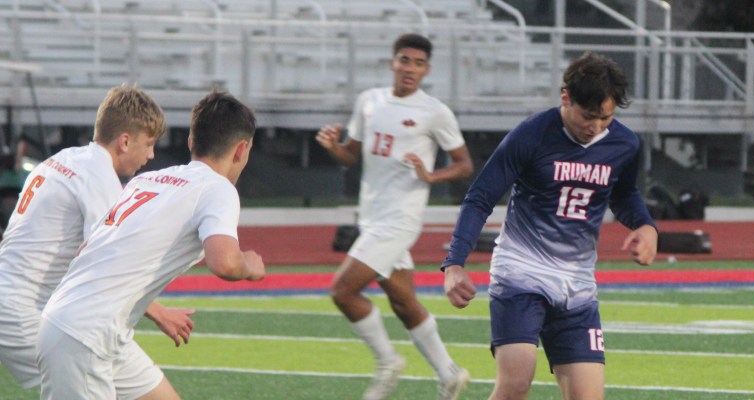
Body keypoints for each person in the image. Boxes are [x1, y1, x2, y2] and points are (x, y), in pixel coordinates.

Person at [441, 52, 658, 400]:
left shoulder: (625, 144)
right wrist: (454, 263)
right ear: (566, 98)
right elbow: (480, 197)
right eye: (588, 116)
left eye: (606, 118)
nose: (596, 127)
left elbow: (623, 194)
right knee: (515, 384)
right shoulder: (532, 134)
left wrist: (646, 226)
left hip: (578, 283)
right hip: (520, 272)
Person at [37, 90, 265, 399]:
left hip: (91, 328)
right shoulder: (217, 188)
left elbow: (87, 248)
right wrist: (249, 264)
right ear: (241, 150)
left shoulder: (147, 181)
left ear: (191, 142)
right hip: (85, 335)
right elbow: (224, 263)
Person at [0, 85, 196, 393]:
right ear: (125, 141)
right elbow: (107, 263)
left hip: (19, 304)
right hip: (29, 315)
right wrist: (160, 314)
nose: (151, 155)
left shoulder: (60, 160)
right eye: (148, 144)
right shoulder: (99, 175)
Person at [315, 33, 473, 400]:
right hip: (372, 215)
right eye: (405, 60)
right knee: (403, 303)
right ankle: (450, 372)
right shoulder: (368, 101)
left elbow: (464, 164)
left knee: (342, 291)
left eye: (419, 63)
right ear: (392, 62)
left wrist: (431, 176)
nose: (410, 69)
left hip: (400, 219)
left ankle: (387, 361)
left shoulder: (434, 111)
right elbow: (351, 155)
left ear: (427, 70)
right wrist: (333, 147)